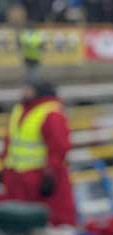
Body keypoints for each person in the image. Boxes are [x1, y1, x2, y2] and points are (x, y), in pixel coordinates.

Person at [0, 79, 77, 226]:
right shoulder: (19, 110)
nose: (23, 92)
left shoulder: (50, 113)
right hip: (16, 176)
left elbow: (59, 148)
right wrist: (3, 167)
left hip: (38, 177)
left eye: (28, 89)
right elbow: (9, 142)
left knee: (46, 219)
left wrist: (50, 175)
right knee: (16, 220)